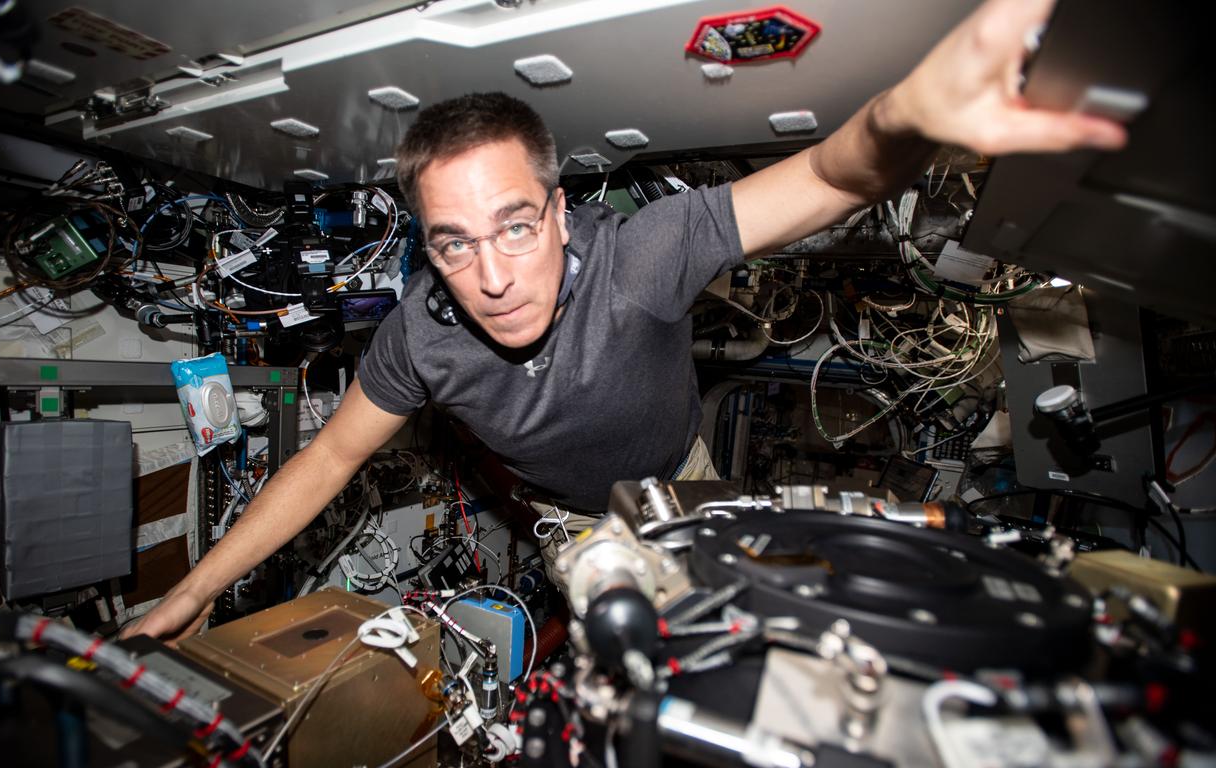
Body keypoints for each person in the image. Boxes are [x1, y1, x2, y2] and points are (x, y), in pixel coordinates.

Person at [123, 0, 1126, 644]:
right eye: (453, 242)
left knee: (726, 629)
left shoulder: (641, 256)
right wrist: (192, 588)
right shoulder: (420, 333)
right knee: (622, 656)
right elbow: (326, 460)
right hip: (563, 510)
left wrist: (907, 113)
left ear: (561, 213)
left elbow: (825, 174)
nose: (491, 275)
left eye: (515, 226)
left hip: (677, 474)